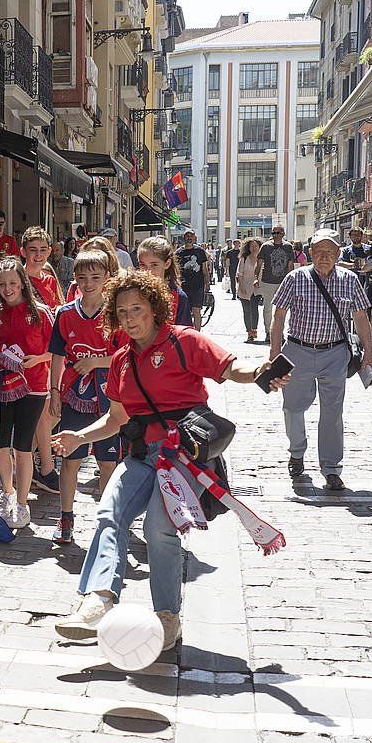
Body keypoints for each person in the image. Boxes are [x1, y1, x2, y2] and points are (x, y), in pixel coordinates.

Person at [51, 270, 287, 646]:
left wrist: (259, 370)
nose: (130, 318)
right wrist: (79, 435)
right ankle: (98, 599)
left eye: (137, 309)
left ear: (154, 309)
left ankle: (167, 618)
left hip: (184, 456)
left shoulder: (184, 341)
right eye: (122, 311)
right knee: (110, 513)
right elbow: (115, 419)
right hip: (143, 455)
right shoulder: (120, 361)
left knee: (158, 528)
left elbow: (229, 368)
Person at [269, 229, 372, 491]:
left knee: (332, 411)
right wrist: (274, 352)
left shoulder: (350, 280)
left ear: (339, 255)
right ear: (310, 254)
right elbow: (279, 316)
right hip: (297, 350)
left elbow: (361, 318)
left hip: (335, 353)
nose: (324, 257)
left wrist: (369, 352)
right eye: (318, 252)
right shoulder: (295, 278)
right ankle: (296, 453)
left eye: (329, 252)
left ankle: (331, 468)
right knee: (293, 407)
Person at [48, 250, 125, 543]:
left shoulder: (117, 313)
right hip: (74, 395)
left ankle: (107, 522)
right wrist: (54, 391)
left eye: (95, 277)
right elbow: (56, 355)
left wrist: (96, 362)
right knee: (70, 457)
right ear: (75, 279)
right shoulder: (65, 313)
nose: (88, 283)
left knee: (108, 462)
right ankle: (66, 517)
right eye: (82, 277)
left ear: (107, 277)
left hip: (109, 396)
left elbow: (124, 354)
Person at [0, 259, 53, 530]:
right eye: (2, 284)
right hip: (0, 387)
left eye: (12, 282)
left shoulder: (41, 313)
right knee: (0, 444)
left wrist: (38, 360)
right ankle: (7, 493)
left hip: (32, 387)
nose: (7, 288)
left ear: (22, 282)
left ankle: (22, 504)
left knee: (23, 447)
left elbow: (58, 351)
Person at [21, 227, 63, 494]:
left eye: (43, 250)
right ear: (23, 251)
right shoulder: (18, 280)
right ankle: (46, 468)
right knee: (42, 415)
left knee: (50, 414)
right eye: (32, 250)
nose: (38, 255)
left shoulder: (49, 280)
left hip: (51, 355)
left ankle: (29, 460)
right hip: (31, 357)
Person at [136, 236, 192, 326]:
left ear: (167, 263)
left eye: (154, 265)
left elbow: (185, 335)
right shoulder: (131, 292)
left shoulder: (178, 297)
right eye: (143, 265)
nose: (147, 271)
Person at [255, 225, 296, 343]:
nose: (275, 235)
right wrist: (256, 278)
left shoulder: (288, 247)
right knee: (267, 308)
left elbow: (290, 265)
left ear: (283, 234)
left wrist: (292, 281)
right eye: (273, 233)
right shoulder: (266, 246)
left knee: (282, 310)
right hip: (268, 281)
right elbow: (259, 264)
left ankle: (279, 333)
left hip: (283, 282)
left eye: (278, 233)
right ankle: (268, 332)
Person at [176, 231, 209, 330]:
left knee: (197, 310)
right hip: (184, 286)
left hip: (198, 285)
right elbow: (176, 269)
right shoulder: (178, 253)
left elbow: (204, 268)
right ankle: (187, 332)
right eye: (187, 236)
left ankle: (197, 333)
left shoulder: (200, 251)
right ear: (184, 238)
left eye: (191, 236)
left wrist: (207, 282)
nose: (189, 238)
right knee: (185, 311)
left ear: (194, 238)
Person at [237, 238, 263, 342]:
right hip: (244, 287)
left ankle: (254, 330)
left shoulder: (262, 259)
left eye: (256, 246)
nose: (254, 248)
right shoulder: (244, 258)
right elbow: (240, 274)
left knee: (254, 309)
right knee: (246, 311)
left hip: (256, 288)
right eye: (252, 246)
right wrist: (241, 286)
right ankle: (249, 333)